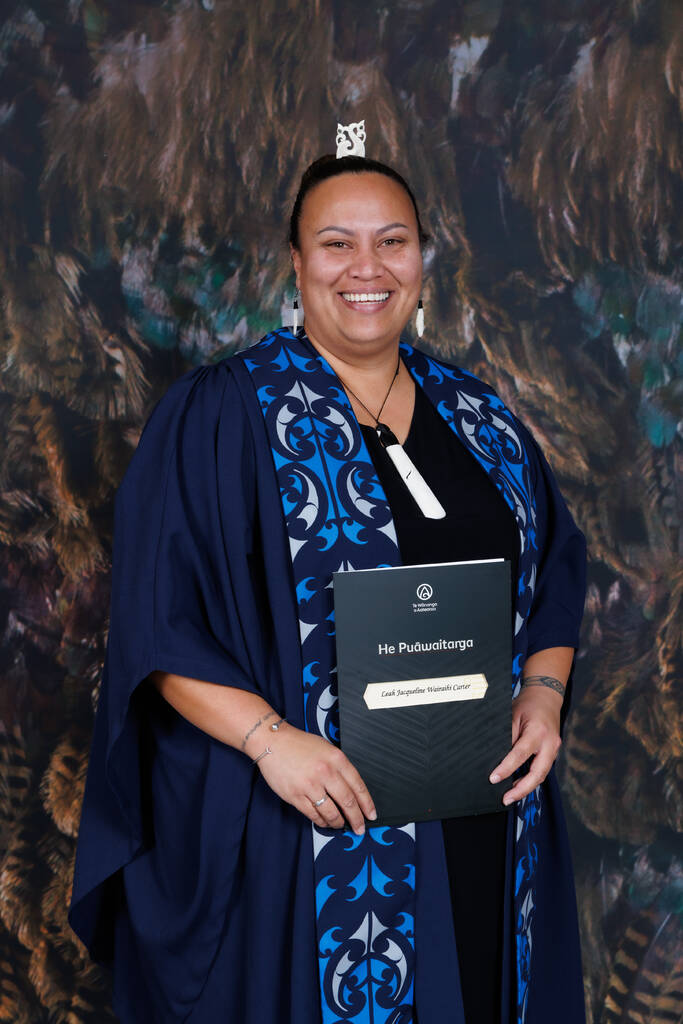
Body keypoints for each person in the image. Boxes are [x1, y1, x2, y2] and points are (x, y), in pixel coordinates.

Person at [69, 141, 587, 1024]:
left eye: (391, 241)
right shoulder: (223, 413)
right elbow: (156, 620)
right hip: (311, 823)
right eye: (336, 244)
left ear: (423, 260)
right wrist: (273, 742)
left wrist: (540, 694)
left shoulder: (482, 419)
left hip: (478, 815)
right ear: (296, 263)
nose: (366, 268)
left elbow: (556, 575)